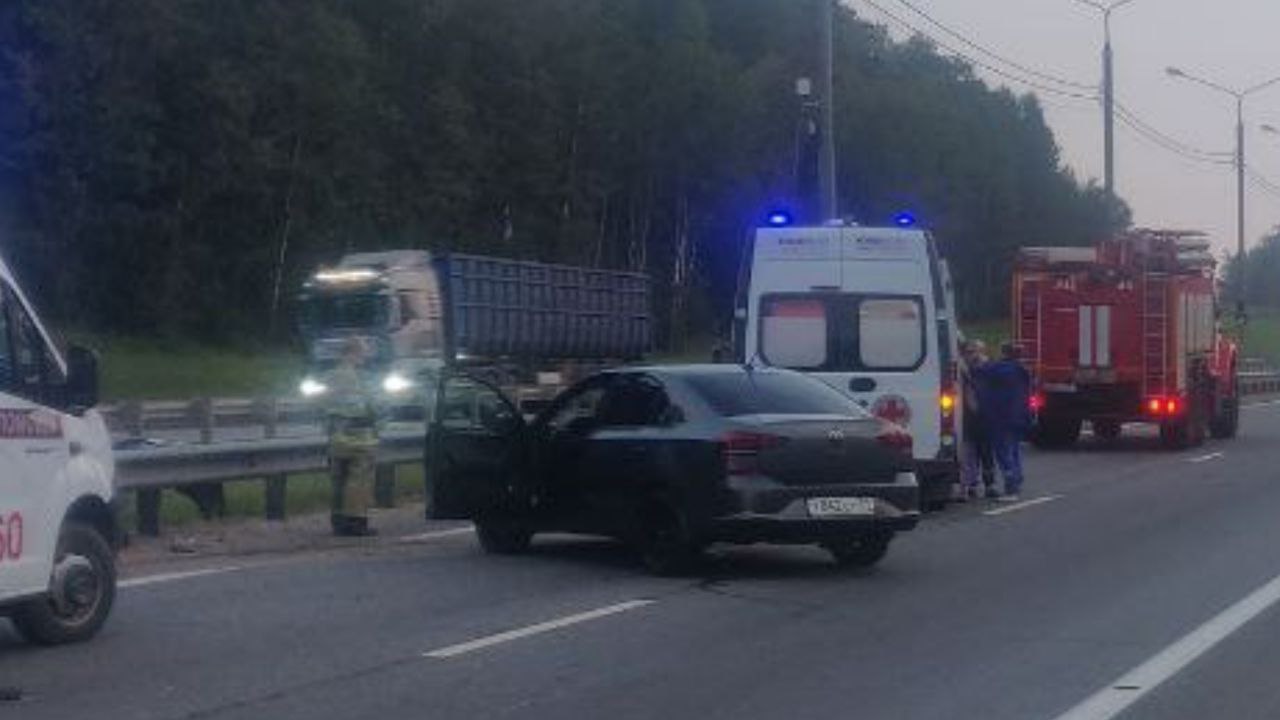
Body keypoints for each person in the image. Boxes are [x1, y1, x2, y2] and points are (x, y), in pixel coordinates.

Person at [324, 338, 381, 536]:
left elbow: (323, 406)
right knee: (359, 482)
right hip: (358, 439)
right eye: (362, 354)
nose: (364, 358)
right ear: (352, 353)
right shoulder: (355, 377)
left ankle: (338, 522)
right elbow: (364, 408)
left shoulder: (330, 376)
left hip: (336, 438)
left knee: (338, 480)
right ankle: (356, 523)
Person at [976, 341, 1033, 502]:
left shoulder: (1000, 369)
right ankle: (1017, 479)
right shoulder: (1021, 369)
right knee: (1014, 450)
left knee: (1003, 452)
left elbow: (979, 371)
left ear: (1003, 353)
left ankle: (1011, 488)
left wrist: (980, 361)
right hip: (1019, 416)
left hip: (1001, 417)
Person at [958, 339, 998, 501]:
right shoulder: (961, 371)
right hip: (966, 419)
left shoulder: (989, 370)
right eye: (969, 352)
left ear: (983, 353)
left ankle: (990, 485)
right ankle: (971, 485)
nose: (973, 355)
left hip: (986, 418)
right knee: (969, 455)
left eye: (976, 351)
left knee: (986, 453)